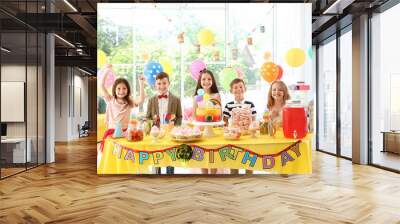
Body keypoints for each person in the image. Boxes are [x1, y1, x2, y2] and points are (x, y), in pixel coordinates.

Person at [99, 64, 145, 151]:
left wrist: (141, 84)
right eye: (118, 88)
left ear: (127, 90)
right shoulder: (110, 99)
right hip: (112, 132)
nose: (121, 91)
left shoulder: (129, 102)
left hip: (126, 133)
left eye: (124, 88)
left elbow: (141, 99)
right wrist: (107, 71)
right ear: (114, 90)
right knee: (112, 154)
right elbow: (101, 85)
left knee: (124, 154)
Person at [146, 72, 183, 174]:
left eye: (164, 83)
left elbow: (179, 116)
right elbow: (147, 117)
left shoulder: (176, 99)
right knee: (156, 160)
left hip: (170, 135)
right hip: (156, 136)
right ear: (155, 85)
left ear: (169, 83)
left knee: (170, 159)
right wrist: (152, 126)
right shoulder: (151, 100)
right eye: (159, 83)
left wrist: (175, 127)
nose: (161, 86)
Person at [223, 78, 256, 174]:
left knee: (248, 159)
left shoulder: (250, 104)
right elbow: (225, 121)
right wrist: (227, 130)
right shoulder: (229, 105)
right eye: (235, 87)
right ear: (231, 91)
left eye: (241, 86)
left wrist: (252, 129)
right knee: (234, 159)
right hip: (234, 137)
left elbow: (253, 121)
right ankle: (234, 178)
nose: (238, 89)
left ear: (245, 88)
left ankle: (249, 178)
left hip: (247, 137)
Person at [193, 69, 220, 174]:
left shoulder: (216, 96)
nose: (206, 81)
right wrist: (198, 125)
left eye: (209, 79)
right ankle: (204, 176)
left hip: (214, 131)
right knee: (202, 154)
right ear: (200, 81)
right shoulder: (197, 97)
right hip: (201, 131)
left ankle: (213, 176)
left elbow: (219, 113)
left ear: (212, 81)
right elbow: (195, 115)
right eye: (203, 79)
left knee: (214, 154)